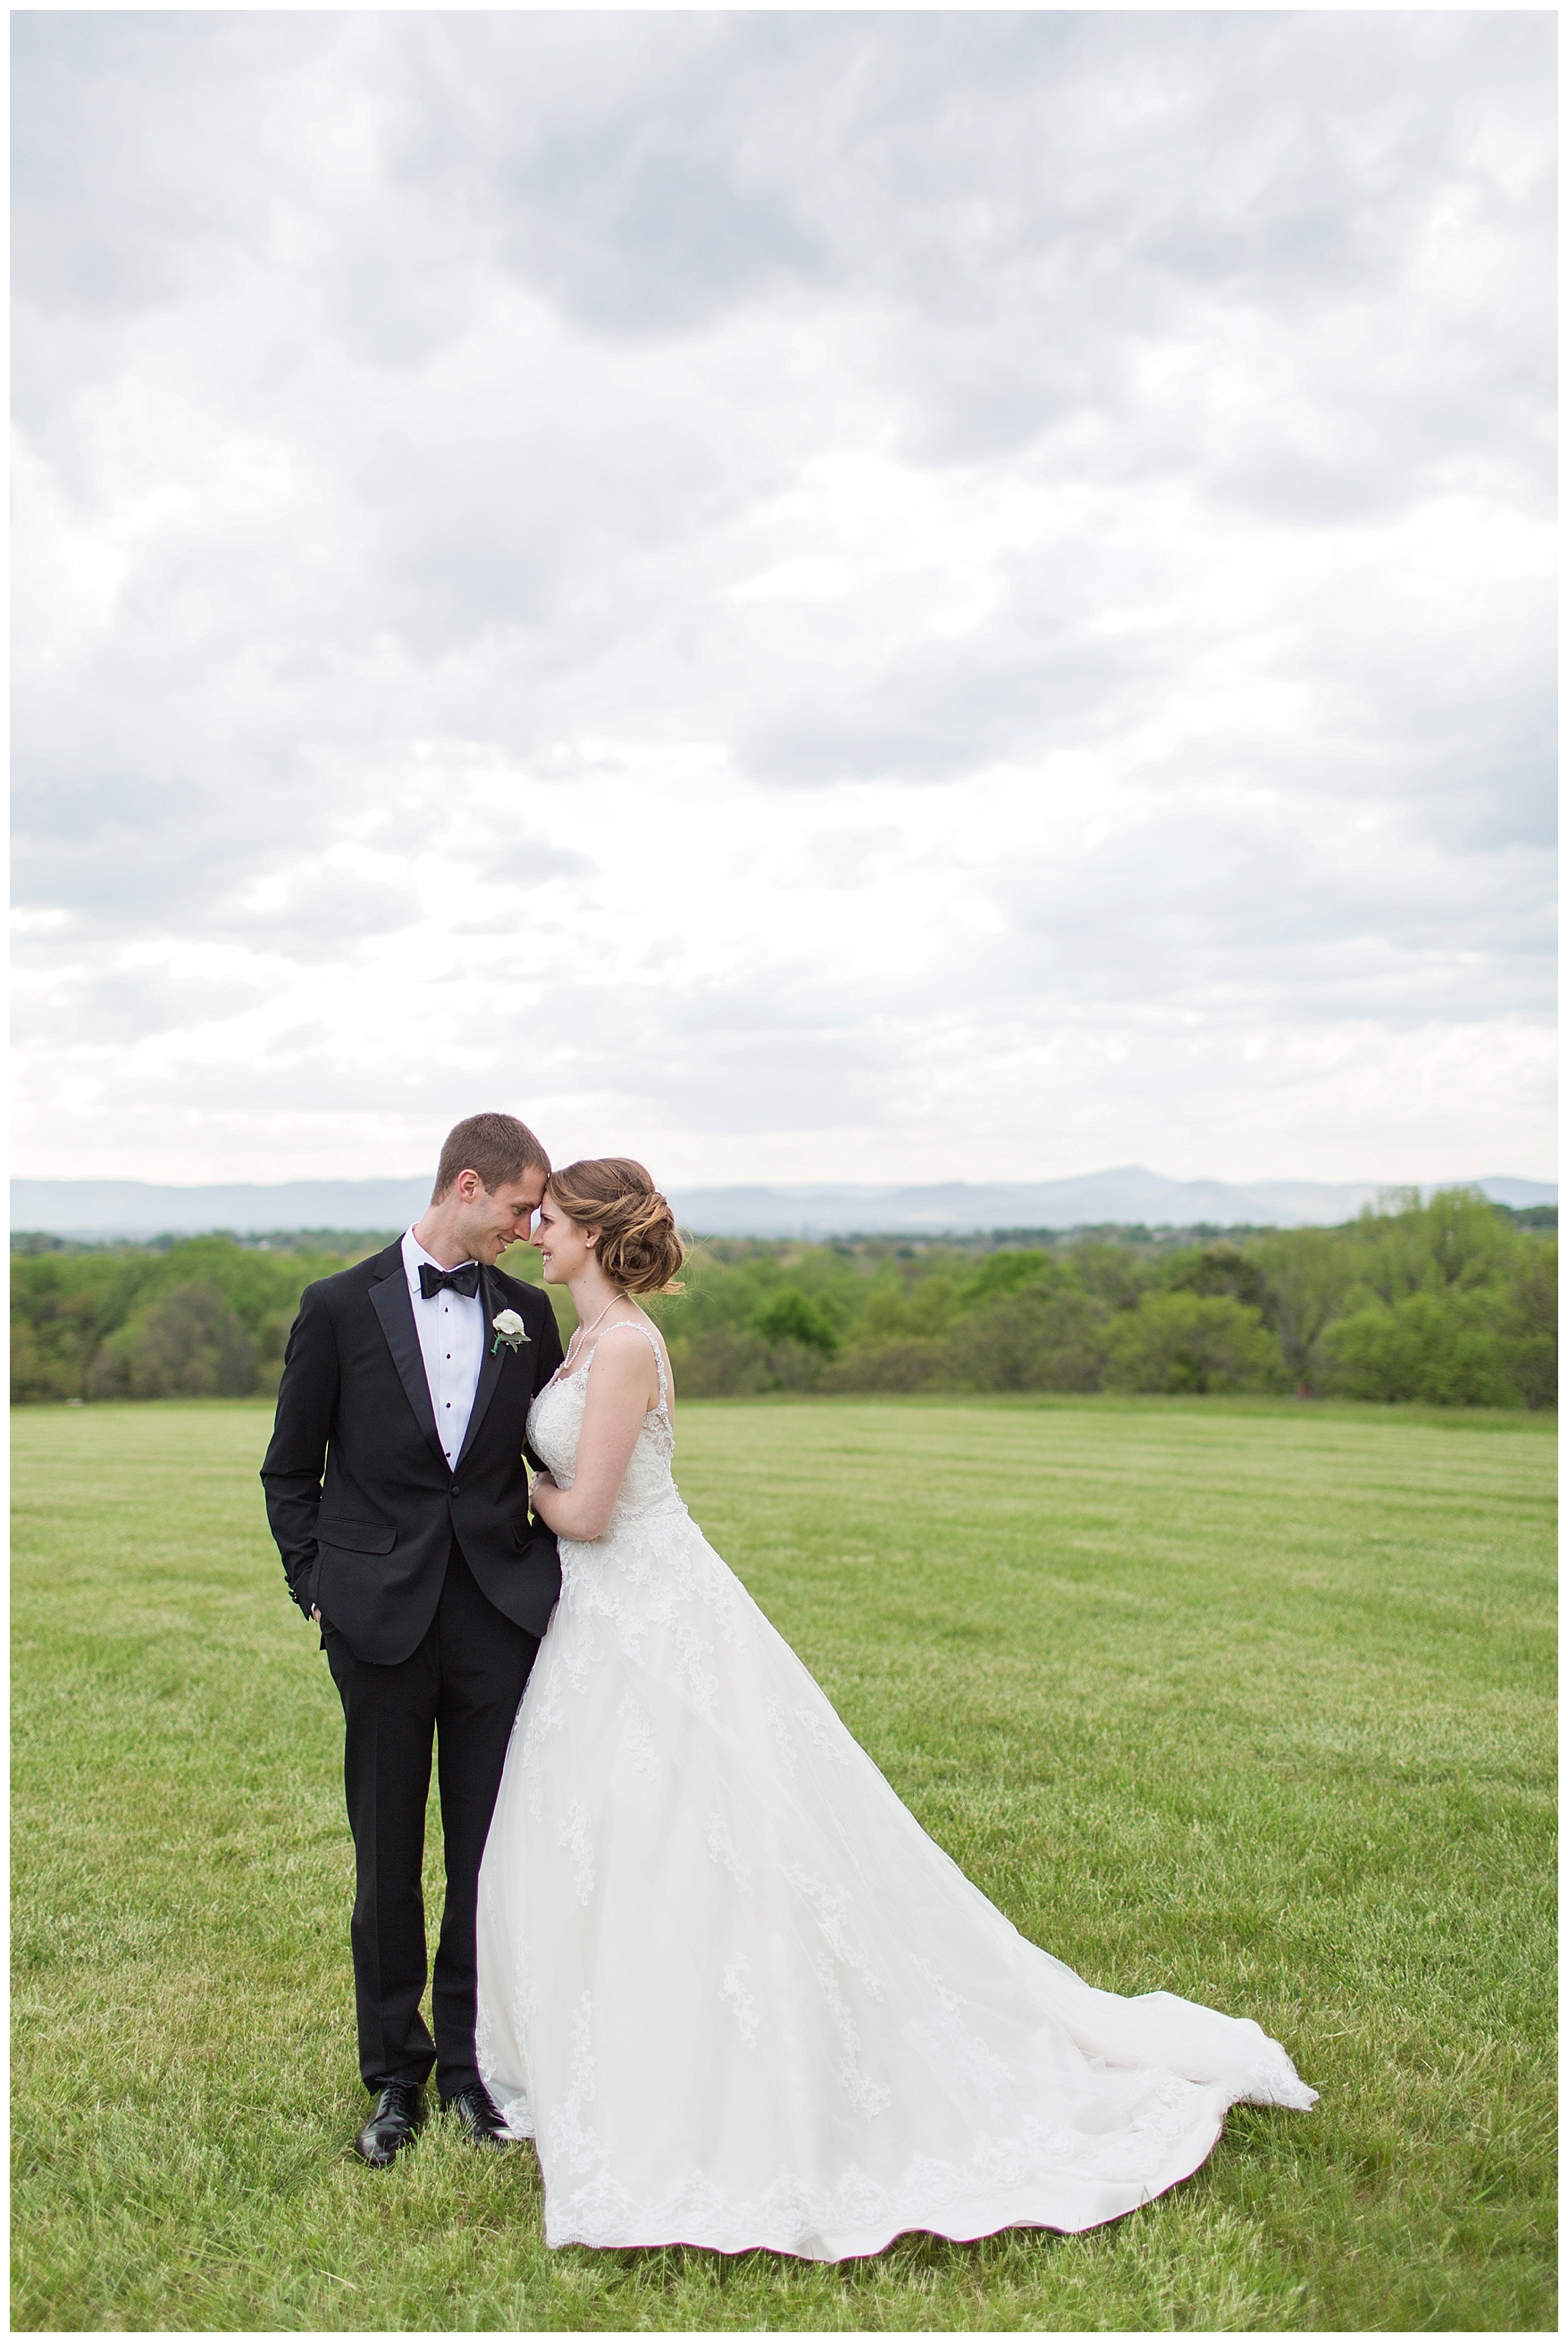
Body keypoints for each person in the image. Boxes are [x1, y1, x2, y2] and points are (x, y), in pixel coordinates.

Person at [476, 1155, 1317, 2261]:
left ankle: (749, 2074)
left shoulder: (626, 1345)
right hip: (604, 1623)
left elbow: (588, 1510)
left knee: (705, 1834)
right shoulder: (579, 1340)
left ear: (593, 1228)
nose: (535, 1230)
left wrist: (507, 1489)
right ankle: (611, 2050)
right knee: (620, 1834)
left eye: (551, 1218)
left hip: (652, 1603)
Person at [262, 1112, 566, 2167]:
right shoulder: (337, 1306)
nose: (532, 1228)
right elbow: (287, 1468)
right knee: (385, 1857)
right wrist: (318, 1590)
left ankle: (472, 2070)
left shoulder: (529, 1313)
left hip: (495, 1620)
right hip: (377, 1622)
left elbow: (557, 1456)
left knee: (485, 1852)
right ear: (469, 1185)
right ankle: (394, 2074)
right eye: (523, 1205)